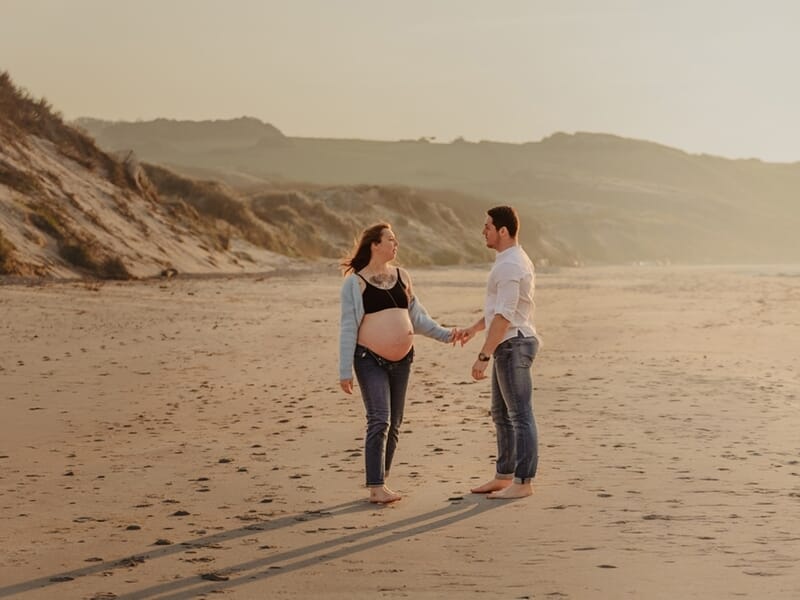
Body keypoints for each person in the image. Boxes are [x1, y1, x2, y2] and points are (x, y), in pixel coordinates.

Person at [339, 223, 456, 504]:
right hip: (369, 358)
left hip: (403, 360)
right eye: (391, 239)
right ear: (374, 245)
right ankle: (376, 487)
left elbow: (418, 319)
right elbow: (348, 327)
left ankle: (383, 478)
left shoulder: (403, 276)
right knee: (379, 419)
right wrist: (345, 370)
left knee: (395, 423)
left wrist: (447, 335)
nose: (396, 244)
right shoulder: (355, 283)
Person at [459, 206, 541, 499]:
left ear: (503, 231)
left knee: (520, 415)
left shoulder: (510, 265)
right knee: (501, 414)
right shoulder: (510, 260)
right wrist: (474, 328)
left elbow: (505, 315)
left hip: (513, 344)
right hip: (510, 342)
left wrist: (483, 356)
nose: (483, 231)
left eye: (488, 226)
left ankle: (523, 482)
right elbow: (499, 310)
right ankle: (504, 476)